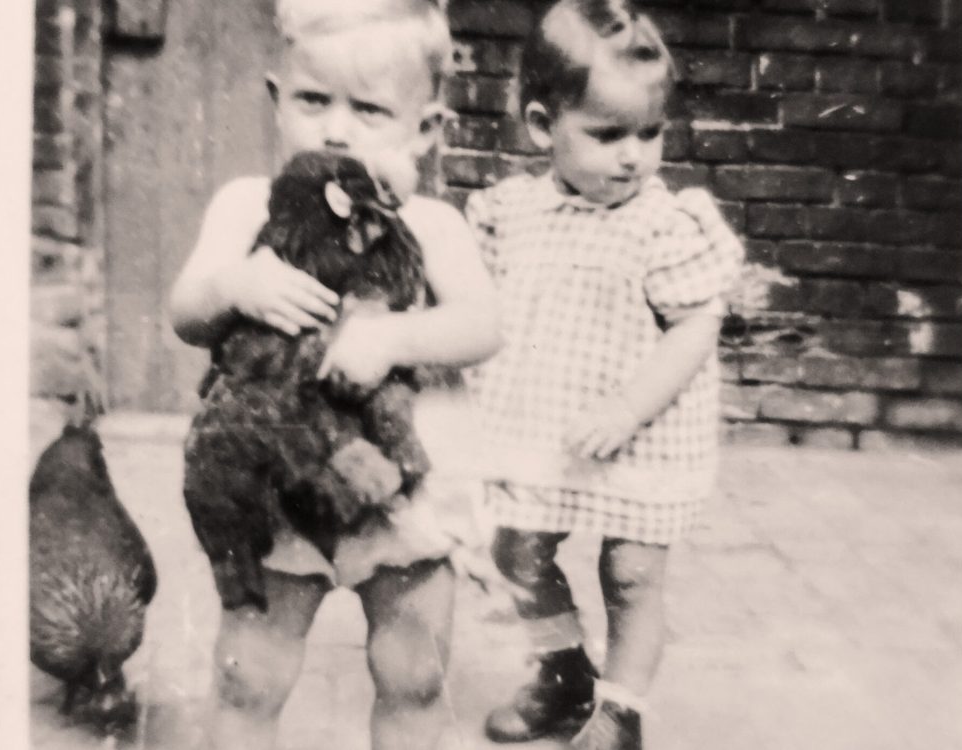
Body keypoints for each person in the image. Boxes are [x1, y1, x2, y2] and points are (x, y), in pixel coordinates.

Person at [168, 1, 500, 749]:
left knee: (414, 673)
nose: (337, 130)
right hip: (279, 486)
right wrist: (231, 286)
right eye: (314, 100)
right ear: (276, 99)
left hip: (402, 492)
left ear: (427, 129)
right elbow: (185, 313)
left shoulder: (433, 226)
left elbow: (484, 325)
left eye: (371, 108)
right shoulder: (246, 207)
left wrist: (394, 336)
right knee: (248, 674)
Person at [464, 1, 744, 748]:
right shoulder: (510, 214)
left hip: (640, 435)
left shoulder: (664, 224)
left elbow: (696, 327)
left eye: (650, 134)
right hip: (547, 427)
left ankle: (620, 714)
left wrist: (627, 406)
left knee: (630, 574)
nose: (633, 156)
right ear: (540, 126)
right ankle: (563, 677)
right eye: (608, 134)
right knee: (517, 550)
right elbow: (481, 307)